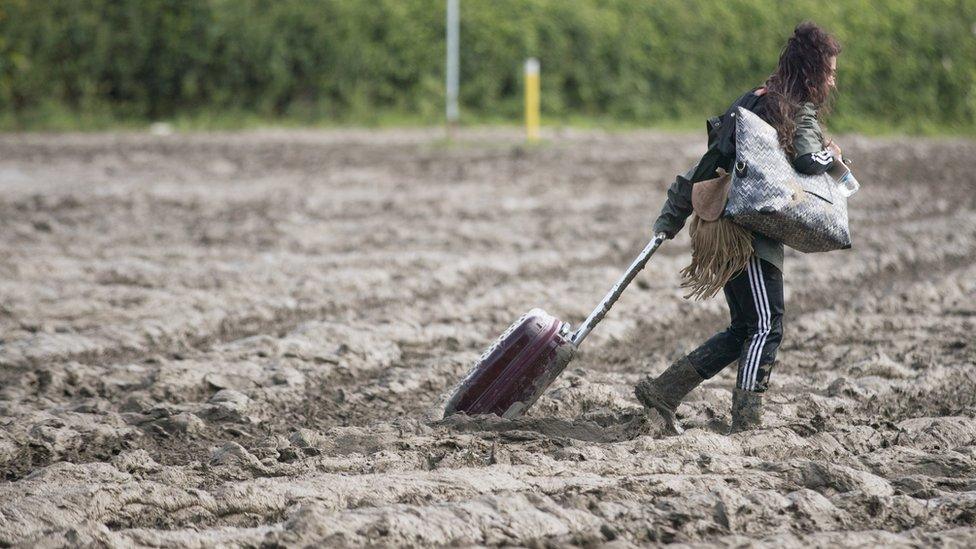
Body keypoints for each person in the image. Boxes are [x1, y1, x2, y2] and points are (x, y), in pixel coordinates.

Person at [635, 22, 843, 434]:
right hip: (746, 235)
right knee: (767, 326)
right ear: (812, 73)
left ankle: (664, 391)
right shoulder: (795, 109)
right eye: (830, 72)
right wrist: (834, 160)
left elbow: (705, 165)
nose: (833, 80)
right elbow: (805, 161)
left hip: (720, 227)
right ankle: (747, 423)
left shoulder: (754, 101)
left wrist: (670, 218)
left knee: (746, 327)